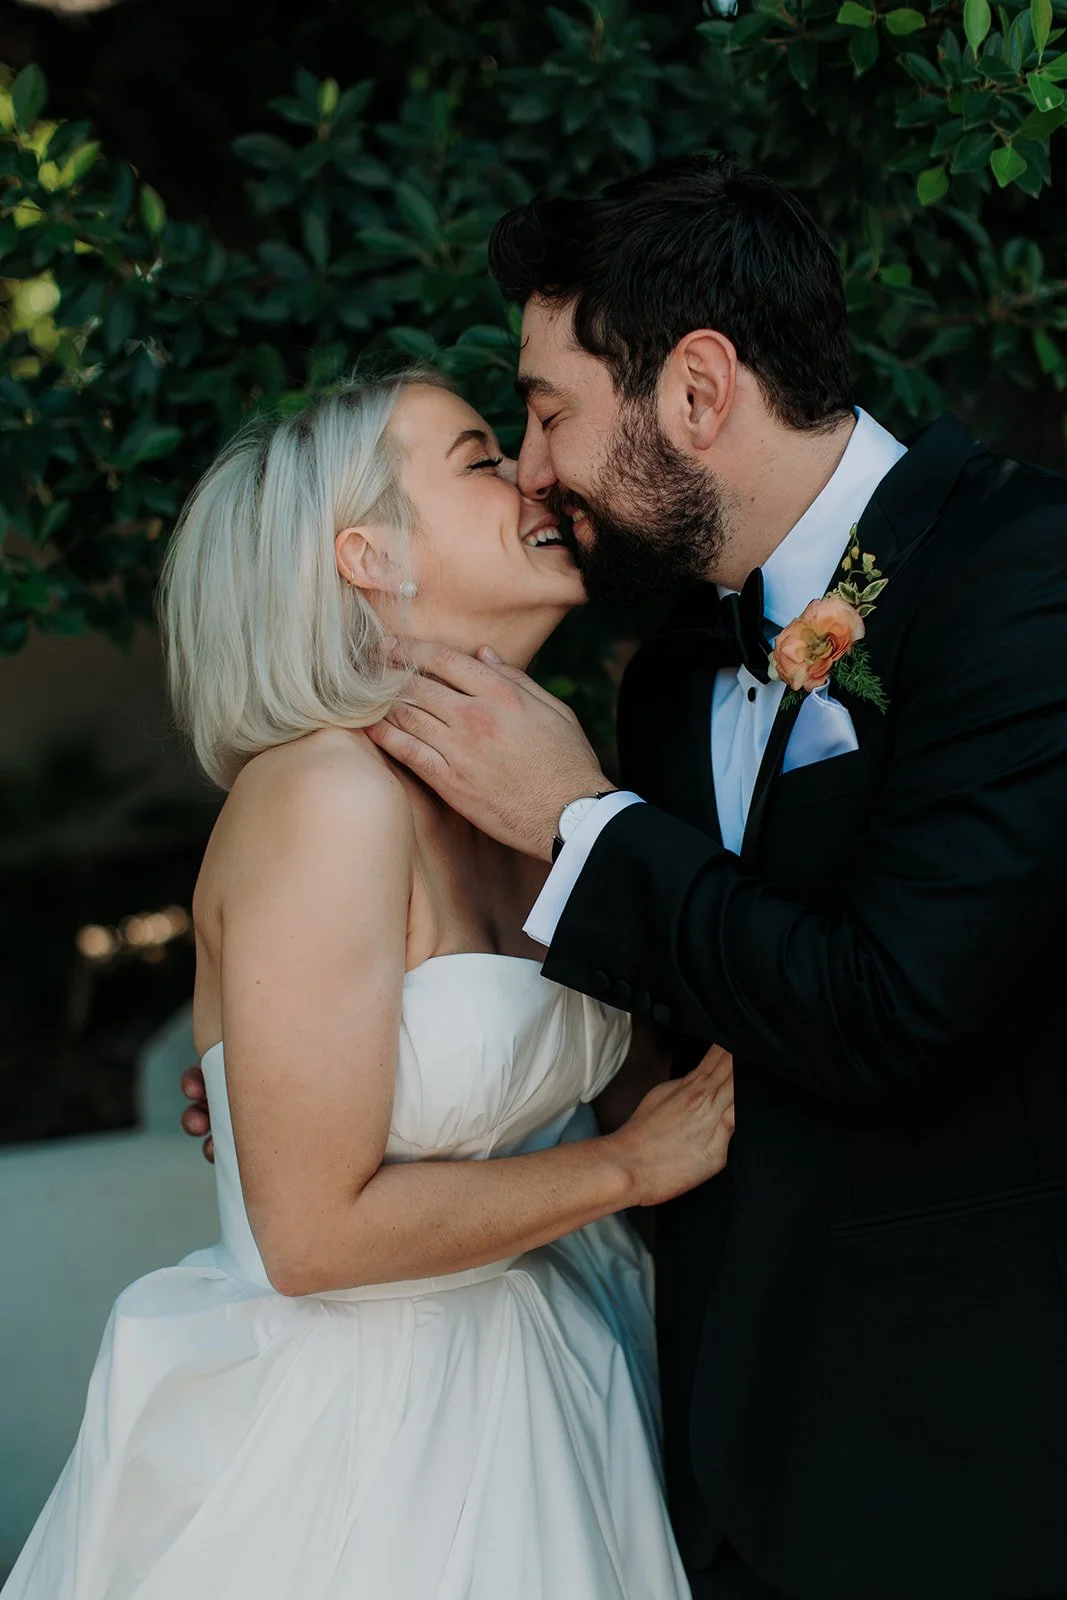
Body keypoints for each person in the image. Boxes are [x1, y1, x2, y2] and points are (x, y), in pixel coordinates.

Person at [364, 157, 1067, 1600]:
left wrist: (580, 821)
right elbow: (682, 1017)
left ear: (696, 389)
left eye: (551, 410)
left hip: (973, 1470)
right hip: (714, 1448)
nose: (538, 469)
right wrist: (340, 1066)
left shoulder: (1024, 578)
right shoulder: (677, 664)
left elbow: (888, 1006)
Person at [3, 372, 740, 1600]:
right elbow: (309, 1233)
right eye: (473, 458)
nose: (532, 474)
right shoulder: (322, 795)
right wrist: (625, 1169)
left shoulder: (536, 775)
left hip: (558, 1380)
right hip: (366, 1441)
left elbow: (647, 1088)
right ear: (367, 554)